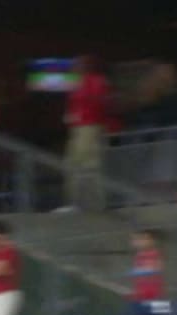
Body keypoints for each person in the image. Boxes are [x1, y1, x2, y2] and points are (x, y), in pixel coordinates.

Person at [63, 55, 110, 212]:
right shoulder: (75, 82)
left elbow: (99, 103)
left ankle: (95, 205)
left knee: (89, 166)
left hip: (90, 127)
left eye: (78, 64)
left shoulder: (97, 81)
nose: (74, 67)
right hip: (77, 129)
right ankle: (76, 204)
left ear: (87, 65)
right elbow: (73, 105)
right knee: (72, 164)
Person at [129, 229, 164, 301]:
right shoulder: (138, 256)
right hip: (140, 292)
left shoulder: (154, 253)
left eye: (141, 239)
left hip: (152, 292)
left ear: (151, 240)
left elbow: (157, 268)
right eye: (134, 239)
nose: (137, 242)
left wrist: (139, 271)